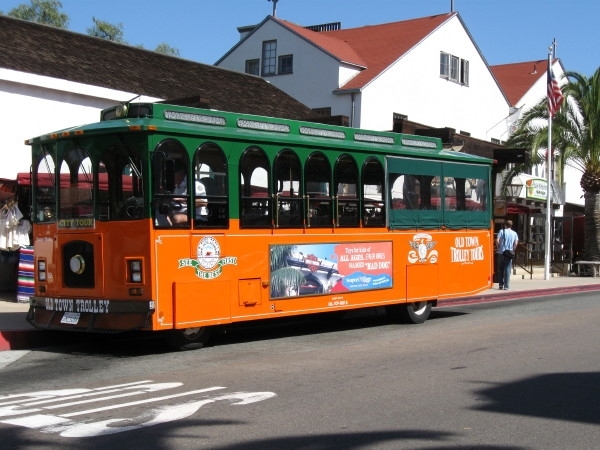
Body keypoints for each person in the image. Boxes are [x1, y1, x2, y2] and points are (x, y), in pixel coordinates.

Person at [496, 219, 519, 290]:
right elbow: (515, 243)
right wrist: (513, 250)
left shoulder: (501, 231)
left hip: (501, 252)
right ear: (511, 226)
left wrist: (498, 247)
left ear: (505, 225)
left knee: (500, 269)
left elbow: (497, 240)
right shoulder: (514, 233)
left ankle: (500, 285)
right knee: (507, 269)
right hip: (509, 253)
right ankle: (506, 286)